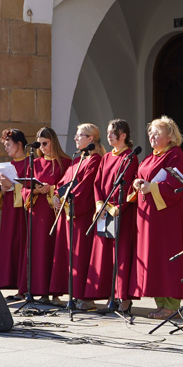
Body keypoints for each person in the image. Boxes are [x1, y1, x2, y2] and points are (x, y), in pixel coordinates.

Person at [130, 116, 183, 320]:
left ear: (170, 136)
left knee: (167, 258)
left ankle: (172, 305)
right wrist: (138, 183)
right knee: (152, 258)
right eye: (150, 133)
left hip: (167, 218)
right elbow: (141, 176)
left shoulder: (176, 156)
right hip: (149, 216)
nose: (152, 136)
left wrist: (152, 187)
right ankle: (160, 303)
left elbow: (179, 185)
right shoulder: (150, 157)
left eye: (157, 133)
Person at [49, 124, 105, 309]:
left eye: (79, 135)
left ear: (90, 139)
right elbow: (63, 182)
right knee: (69, 255)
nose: (75, 138)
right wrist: (56, 195)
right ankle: (72, 294)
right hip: (67, 214)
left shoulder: (95, 160)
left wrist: (66, 199)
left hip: (81, 215)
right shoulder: (78, 160)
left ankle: (85, 297)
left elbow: (86, 187)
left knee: (81, 255)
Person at [86, 119, 139, 314]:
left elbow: (130, 184)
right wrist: (100, 203)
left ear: (123, 135)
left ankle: (123, 299)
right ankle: (110, 296)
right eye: (108, 133)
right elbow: (97, 183)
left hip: (121, 213)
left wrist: (117, 206)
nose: (108, 136)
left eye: (111, 133)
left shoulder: (130, 157)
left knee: (121, 255)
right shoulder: (107, 157)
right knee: (108, 256)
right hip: (104, 212)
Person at [20, 127, 71, 304]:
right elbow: (24, 189)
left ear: (53, 142)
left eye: (45, 143)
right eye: (40, 144)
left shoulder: (65, 162)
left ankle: (55, 293)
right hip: (37, 213)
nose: (42, 147)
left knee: (53, 250)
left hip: (54, 212)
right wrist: (34, 190)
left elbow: (66, 186)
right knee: (37, 251)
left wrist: (51, 189)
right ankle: (37, 290)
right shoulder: (34, 163)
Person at [0, 129, 28, 298]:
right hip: (9, 210)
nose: (6, 148)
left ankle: (23, 287)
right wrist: (4, 187)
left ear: (19, 144)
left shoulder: (30, 163)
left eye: (9, 145)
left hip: (23, 212)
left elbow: (31, 189)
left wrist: (13, 186)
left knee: (20, 244)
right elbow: (3, 194)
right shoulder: (9, 165)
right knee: (8, 244)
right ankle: (8, 281)